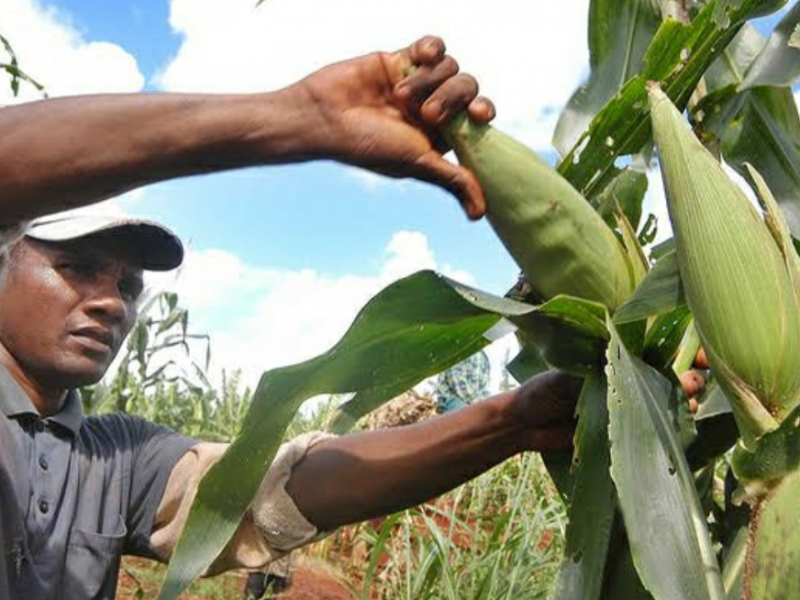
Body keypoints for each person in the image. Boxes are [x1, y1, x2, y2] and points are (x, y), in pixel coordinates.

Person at [0, 36, 584, 600]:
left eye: (127, 285)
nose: (111, 302)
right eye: (74, 267)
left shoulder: (114, 459)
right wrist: (300, 118)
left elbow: (273, 492)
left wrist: (515, 421)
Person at [432, 349, 491, 413]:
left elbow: (484, 387)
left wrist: (487, 404)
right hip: (453, 399)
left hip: (473, 402)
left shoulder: (484, 357)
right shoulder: (464, 348)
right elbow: (455, 377)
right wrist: (477, 402)